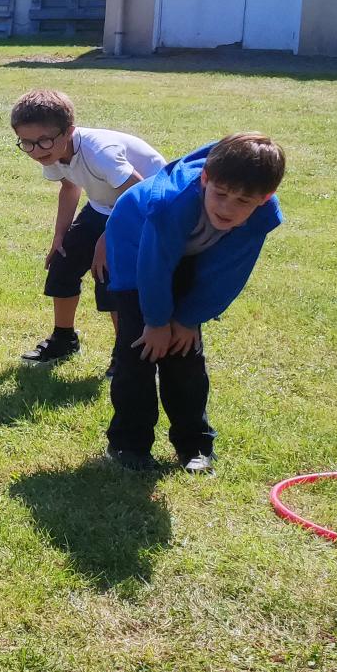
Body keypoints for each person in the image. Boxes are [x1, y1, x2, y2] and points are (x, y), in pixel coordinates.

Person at [102, 133, 286, 475]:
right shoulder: (171, 202)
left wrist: (187, 318)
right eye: (220, 194)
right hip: (136, 247)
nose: (227, 207)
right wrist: (156, 321)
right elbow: (153, 265)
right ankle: (128, 443)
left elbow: (226, 274)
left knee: (185, 356)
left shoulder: (262, 217)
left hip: (190, 255)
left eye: (243, 201)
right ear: (205, 179)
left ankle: (195, 445)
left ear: (265, 198)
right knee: (139, 352)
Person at [9, 89, 166, 366]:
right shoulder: (53, 152)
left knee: (108, 277)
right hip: (104, 206)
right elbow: (70, 187)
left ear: (68, 132)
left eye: (43, 141)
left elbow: (139, 195)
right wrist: (60, 236)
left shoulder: (100, 152)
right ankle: (64, 340)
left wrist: (107, 240)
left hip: (146, 211)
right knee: (62, 263)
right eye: (26, 143)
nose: (35, 151)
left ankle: (125, 354)